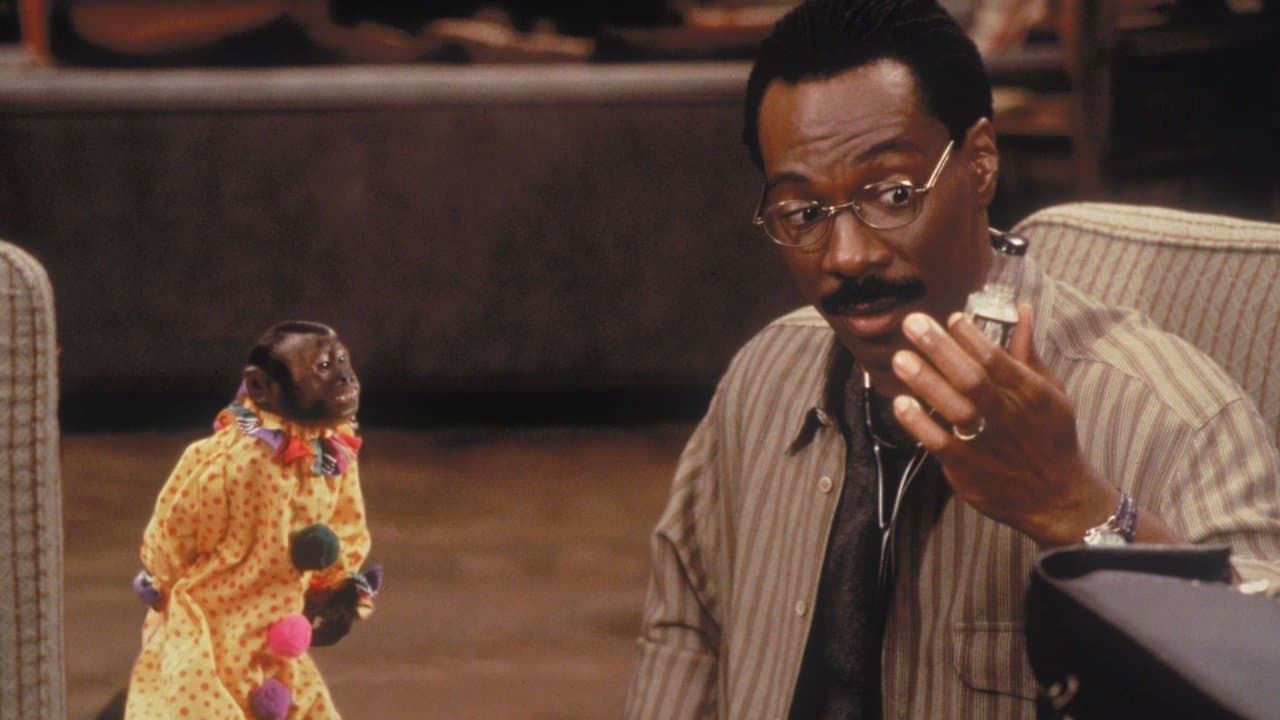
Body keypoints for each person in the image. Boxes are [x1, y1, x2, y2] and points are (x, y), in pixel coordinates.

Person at [622, 0, 1280, 717]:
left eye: (893, 194)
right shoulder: (764, 376)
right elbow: (686, 633)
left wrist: (1077, 508)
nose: (848, 256)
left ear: (982, 162)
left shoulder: (1173, 420)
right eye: (804, 214)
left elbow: (1262, 679)